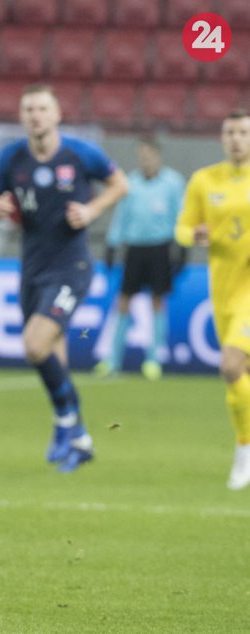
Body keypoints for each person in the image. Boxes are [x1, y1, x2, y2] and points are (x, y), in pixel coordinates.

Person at [0, 83, 128, 473]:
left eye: (42, 109)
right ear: (22, 116)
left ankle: (66, 420)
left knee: (35, 345)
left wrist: (92, 210)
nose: (35, 116)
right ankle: (80, 440)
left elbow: (121, 184)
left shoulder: (81, 153)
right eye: (29, 109)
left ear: (57, 114)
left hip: (72, 267)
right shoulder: (10, 158)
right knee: (53, 354)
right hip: (33, 268)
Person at [175, 110, 250, 491]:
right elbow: (182, 228)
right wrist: (195, 235)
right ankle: (244, 447)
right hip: (222, 289)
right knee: (240, 377)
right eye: (230, 132)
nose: (236, 139)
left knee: (230, 365)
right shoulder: (204, 180)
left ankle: (245, 452)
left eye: (243, 132)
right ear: (222, 138)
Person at [95, 138, 185, 380]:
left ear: (157, 156)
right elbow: (121, 216)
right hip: (134, 248)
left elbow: (180, 214)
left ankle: (154, 359)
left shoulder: (172, 182)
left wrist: (182, 248)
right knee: (124, 301)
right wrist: (112, 245)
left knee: (157, 301)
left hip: (160, 248)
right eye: (142, 156)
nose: (146, 161)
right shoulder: (130, 183)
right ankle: (112, 359)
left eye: (149, 156)